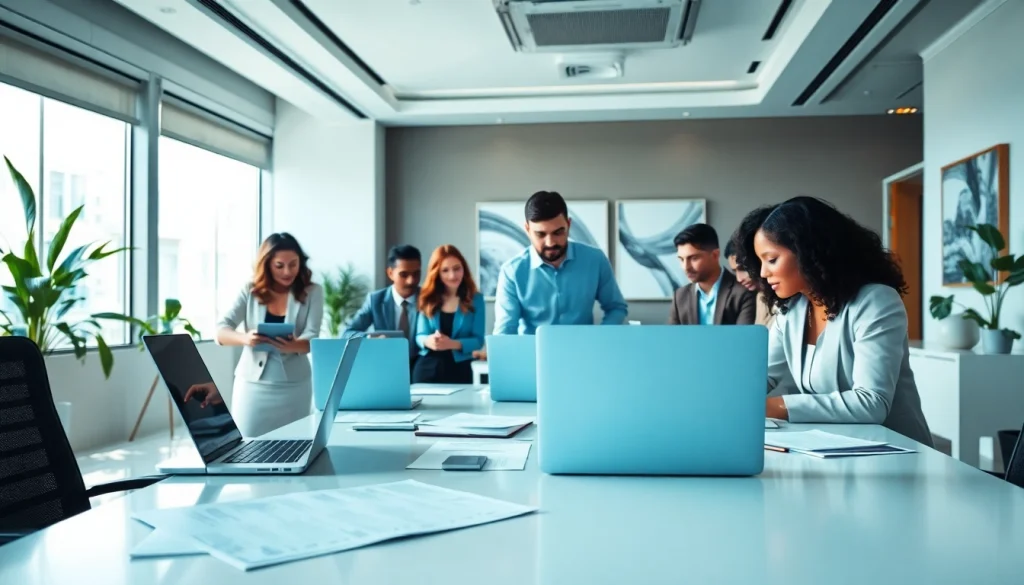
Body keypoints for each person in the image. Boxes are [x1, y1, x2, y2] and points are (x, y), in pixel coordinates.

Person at [731, 196, 933, 446]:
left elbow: (872, 403)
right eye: (760, 262)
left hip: (895, 451)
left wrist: (771, 406)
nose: (762, 273)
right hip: (834, 447)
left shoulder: (875, 301)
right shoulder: (792, 310)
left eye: (771, 260)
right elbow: (761, 375)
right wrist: (722, 397)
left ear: (808, 252)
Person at [216, 233, 324, 437]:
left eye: (293, 264)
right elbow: (221, 331)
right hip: (252, 385)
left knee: (293, 445)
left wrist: (292, 345)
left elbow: (313, 337)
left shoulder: (313, 292)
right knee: (247, 444)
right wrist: (245, 338)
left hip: (295, 386)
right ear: (266, 264)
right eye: (279, 265)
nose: (287, 271)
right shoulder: (250, 290)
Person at [493, 190, 627, 335]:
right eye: (541, 234)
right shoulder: (512, 271)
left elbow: (616, 308)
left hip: (583, 353)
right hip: (531, 355)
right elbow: (505, 329)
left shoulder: (595, 260)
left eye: (558, 232)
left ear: (568, 225)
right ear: (527, 229)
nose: (550, 243)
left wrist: (599, 338)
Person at [412, 245, 485, 384]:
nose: (452, 275)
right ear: (437, 273)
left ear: (464, 268)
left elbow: (478, 340)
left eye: (457, 268)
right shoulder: (426, 297)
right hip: (427, 368)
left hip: (461, 369)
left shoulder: (476, 300)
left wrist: (452, 344)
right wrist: (429, 340)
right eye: (445, 270)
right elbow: (419, 335)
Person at [343, 245, 423, 368]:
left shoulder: (429, 298)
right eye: (404, 275)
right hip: (385, 364)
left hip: (422, 367)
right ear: (390, 273)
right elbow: (347, 333)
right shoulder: (375, 300)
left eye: (416, 274)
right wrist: (369, 338)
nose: (411, 281)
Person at [668, 223, 756, 325]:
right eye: (681, 259)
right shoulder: (680, 296)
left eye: (693, 258)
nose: (685, 267)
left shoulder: (743, 293)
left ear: (715, 255)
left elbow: (743, 339)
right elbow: (672, 339)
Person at [724, 239, 774, 327]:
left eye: (742, 269)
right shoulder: (760, 297)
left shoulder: (784, 295)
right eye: (735, 271)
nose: (739, 279)